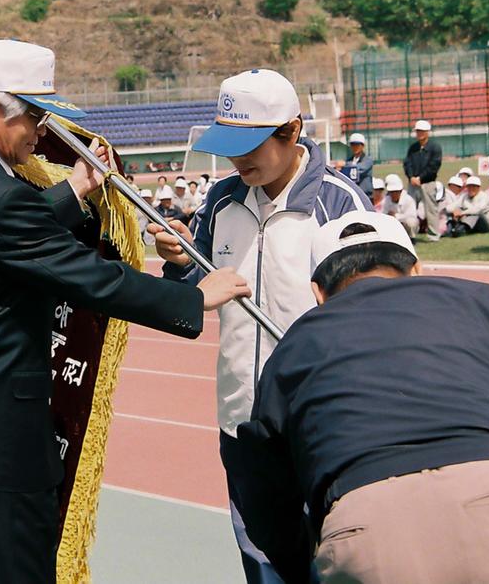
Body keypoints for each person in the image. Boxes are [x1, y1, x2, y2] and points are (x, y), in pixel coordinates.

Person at [0, 39, 251, 584]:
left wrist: (74, 191)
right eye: (34, 116)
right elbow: (91, 279)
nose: (40, 133)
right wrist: (192, 296)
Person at [231, 210, 489, 584]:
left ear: (318, 292)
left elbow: (262, 483)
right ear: (417, 268)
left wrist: (301, 561)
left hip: (370, 531)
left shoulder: (295, 344)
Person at [152, 67, 369, 584]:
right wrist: (182, 262)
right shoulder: (220, 203)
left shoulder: (339, 206)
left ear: (292, 131)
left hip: (321, 424)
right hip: (242, 421)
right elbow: (193, 292)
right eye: (228, 144)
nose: (236, 158)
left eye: (250, 145)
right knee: (262, 563)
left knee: (336, 560)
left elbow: (374, 317)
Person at [403, 120, 442, 241]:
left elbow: (434, 166)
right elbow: (407, 163)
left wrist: (421, 178)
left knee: (431, 209)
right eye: (418, 131)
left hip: (428, 182)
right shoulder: (413, 148)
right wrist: (411, 177)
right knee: (410, 208)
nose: (419, 133)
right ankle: (410, 234)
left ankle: (433, 234)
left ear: (427, 132)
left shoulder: (435, 147)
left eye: (422, 131)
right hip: (413, 183)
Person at [382, 173, 418, 239]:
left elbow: (412, 216)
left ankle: (411, 238)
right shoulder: (386, 200)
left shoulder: (408, 199)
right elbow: (383, 214)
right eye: (391, 192)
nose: (393, 194)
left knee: (411, 222)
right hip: (392, 225)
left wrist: (396, 216)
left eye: (395, 191)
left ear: (400, 191)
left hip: (405, 225)